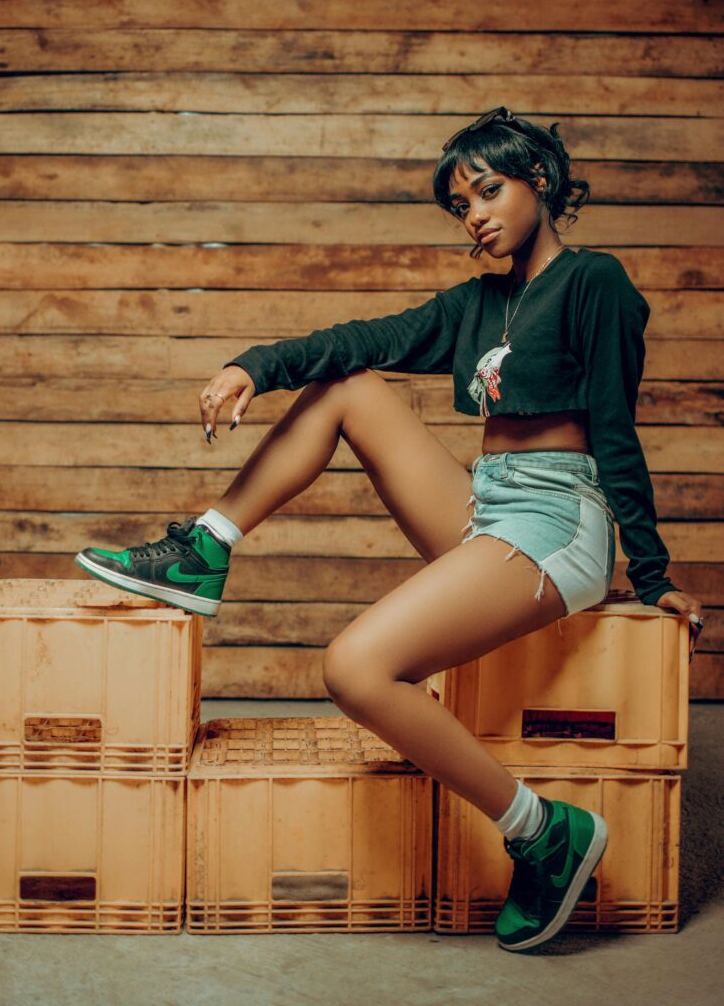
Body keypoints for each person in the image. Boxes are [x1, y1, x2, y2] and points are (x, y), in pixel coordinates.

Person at [74, 107, 704, 952]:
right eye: (461, 205)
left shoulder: (596, 284)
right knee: (350, 384)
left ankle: (539, 831)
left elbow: (616, 432)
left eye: (490, 190)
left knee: (356, 668)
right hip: (490, 507)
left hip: (560, 517)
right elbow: (363, 338)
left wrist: (654, 575)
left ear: (540, 183)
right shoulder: (480, 303)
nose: (476, 214)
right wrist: (252, 366)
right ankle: (206, 546)